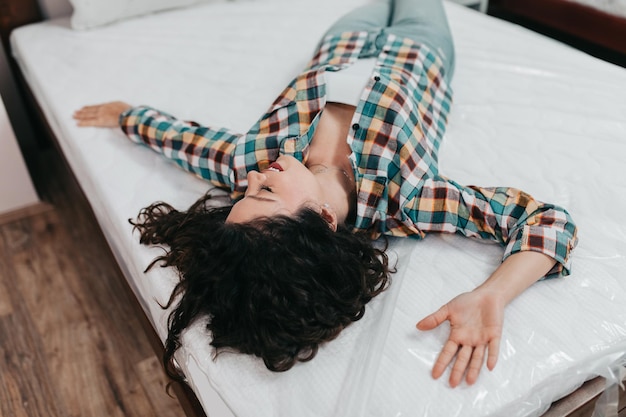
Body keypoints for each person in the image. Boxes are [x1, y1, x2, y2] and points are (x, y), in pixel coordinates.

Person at [74, 0, 578, 388]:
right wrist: (494, 292)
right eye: (265, 191)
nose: (252, 179)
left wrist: (126, 114)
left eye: (244, 193)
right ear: (320, 218)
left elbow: (187, 142)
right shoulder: (408, 197)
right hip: (421, 51)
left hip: (343, 43)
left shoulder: (253, 161)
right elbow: (545, 221)